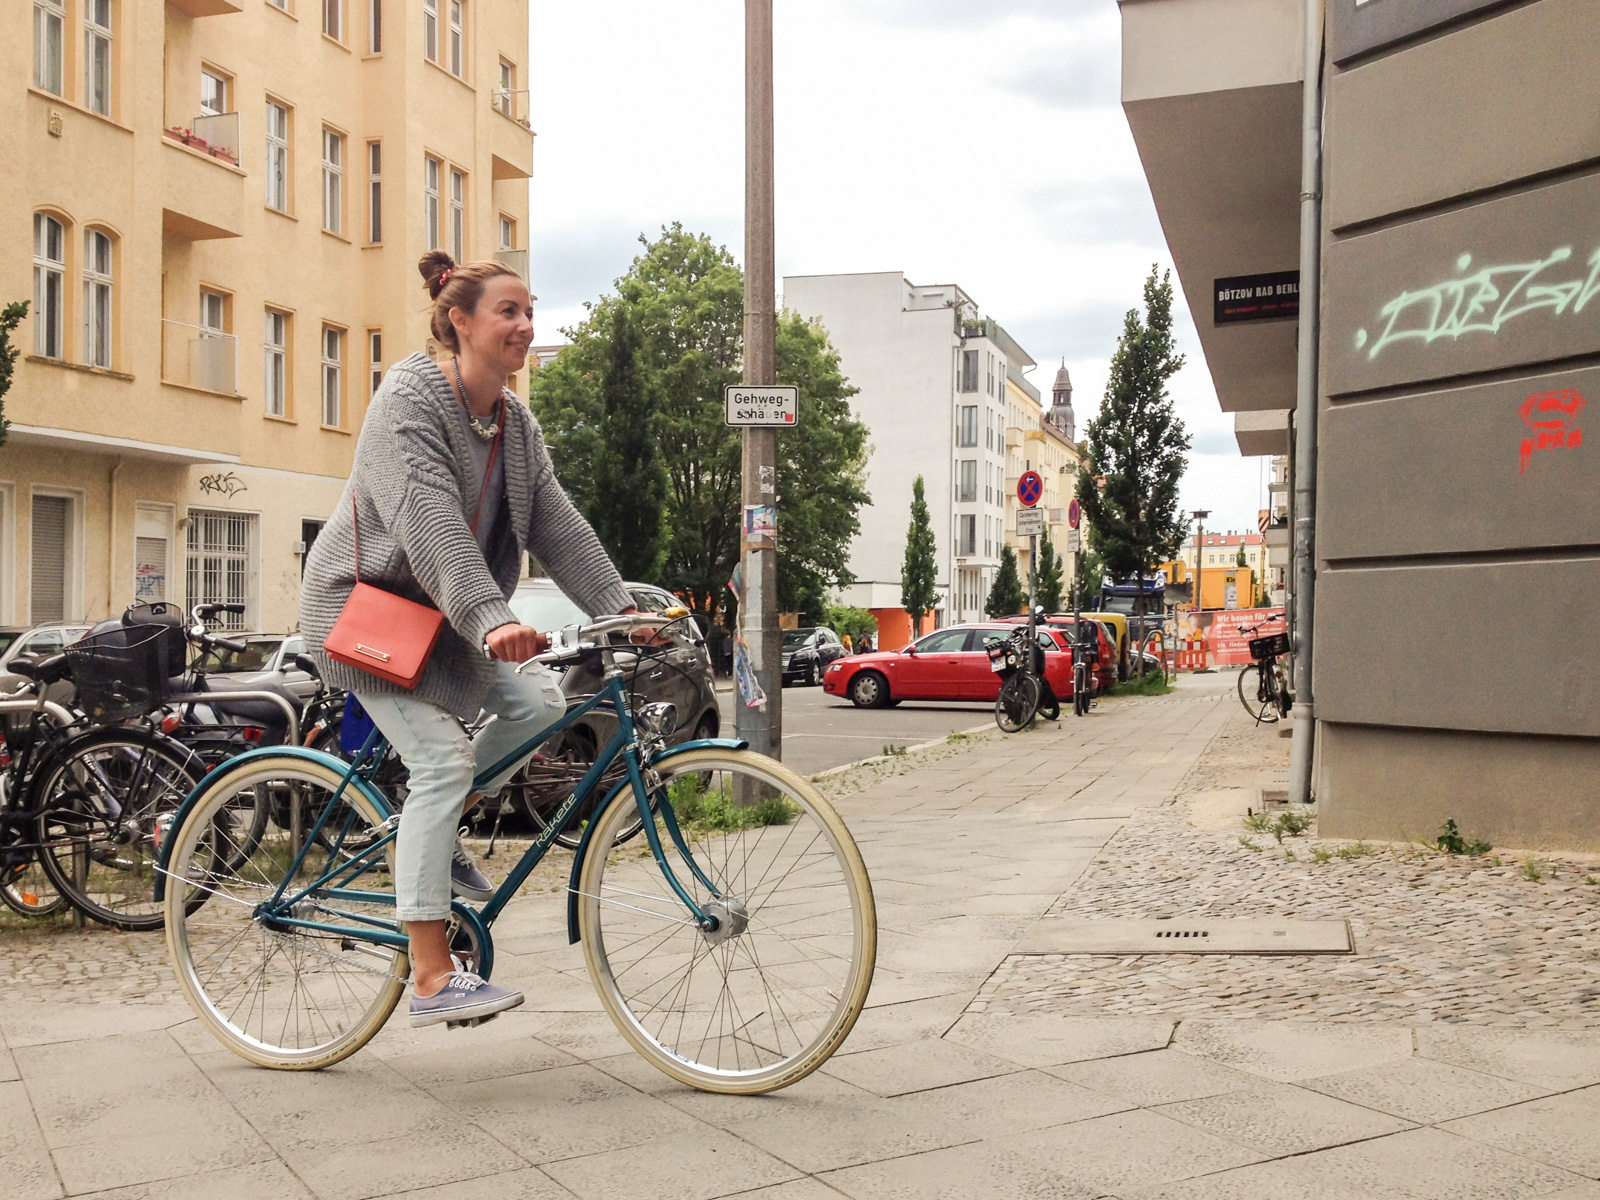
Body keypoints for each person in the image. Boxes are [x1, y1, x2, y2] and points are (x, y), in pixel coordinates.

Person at [300, 251, 643, 1029]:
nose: (526, 326)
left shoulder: (515, 424)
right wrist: (492, 618)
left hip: (449, 624)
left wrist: (622, 610)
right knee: (442, 758)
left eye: (531, 311)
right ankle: (428, 973)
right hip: (369, 616)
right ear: (460, 320)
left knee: (539, 704)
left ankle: (434, 821)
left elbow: (556, 523)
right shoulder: (409, 399)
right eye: (509, 312)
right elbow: (429, 524)